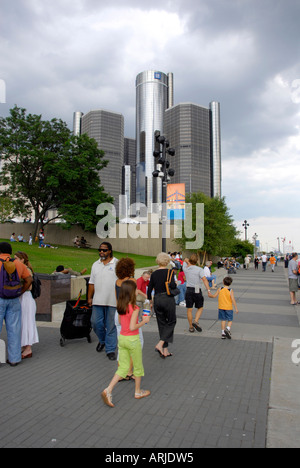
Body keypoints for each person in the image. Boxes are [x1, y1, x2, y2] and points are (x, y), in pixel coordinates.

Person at [101, 280, 150, 408]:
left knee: (122, 367)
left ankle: (108, 389)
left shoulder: (120, 306)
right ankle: (138, 391)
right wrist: (144, 321)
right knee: (138, 367)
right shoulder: (134, 308)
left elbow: (122, 324)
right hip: (132, 340)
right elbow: (133, 327)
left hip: (122, 338)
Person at [0, 242, 33, 366]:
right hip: (14, 299)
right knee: (14, 329)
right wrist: (21, 291)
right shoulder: (18, 264)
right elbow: (29, 279)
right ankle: (14, 358)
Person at [88, 242, 118, 360]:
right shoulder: (95, 264)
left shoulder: (117, 263)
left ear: (110, 251)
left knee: (111, 326)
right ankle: (102, 340)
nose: (101, 252)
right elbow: (91, 282)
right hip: (98, 300)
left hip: (113, 301)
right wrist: (89, 297)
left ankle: (110, 350)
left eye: (104, 250)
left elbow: (124, 281)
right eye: (99, 250)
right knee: (95, 323)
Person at [147, 252, 177, 358]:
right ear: (167, 261)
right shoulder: (170, 272)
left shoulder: (154, 274)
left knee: (162, 324)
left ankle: (165, 350)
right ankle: (160, 344)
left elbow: (149, 289)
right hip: (168, 299)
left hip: (157, 299)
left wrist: (150, 302)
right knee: (172, 321)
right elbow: (172, 285)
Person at [115, 257, 139, 380]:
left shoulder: (117, 282)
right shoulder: (132, 281)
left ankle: (121, 371)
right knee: (135, 342)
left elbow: (117, 299)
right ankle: (129, 371)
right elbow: (134, 297)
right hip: (129, 313)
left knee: (121, 343)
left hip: (119, 312)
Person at [14, 251, 39, 359]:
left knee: (27, 321)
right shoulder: (24, 268)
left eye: (16, 258)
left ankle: (28, 347)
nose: (14, 260)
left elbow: (28, 284)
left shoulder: (25, 269)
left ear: (22, 259)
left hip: (26, 297)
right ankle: (25, 345)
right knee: (23, 321)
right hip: (23, 297)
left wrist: (19, 290)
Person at [183, 254, 211, 333]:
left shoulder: (185, 269)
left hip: (189, 289)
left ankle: (191, 327)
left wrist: (188, 260)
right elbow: (204, 279)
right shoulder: (199, 269)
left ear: (190, 260)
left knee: (189, 309)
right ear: (197, 261)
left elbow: (185, 260)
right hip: (197, 288)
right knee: (200, 307)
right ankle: (196, 320)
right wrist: (208, 290)